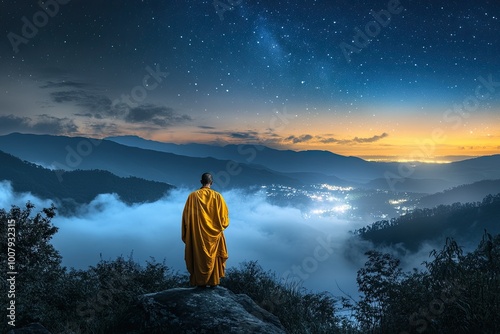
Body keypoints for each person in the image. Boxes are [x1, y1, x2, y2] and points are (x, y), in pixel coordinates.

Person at [182, 172, 229, 288]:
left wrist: (189, 233)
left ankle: (200, 282)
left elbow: (186, 218)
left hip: (197, 236)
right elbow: (224, 220)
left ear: (201, 182)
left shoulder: (193, 196)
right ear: (211, 183)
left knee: (198, 256)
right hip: (214, 237)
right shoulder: (218, 197)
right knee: (213, 257)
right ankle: (213, 281)